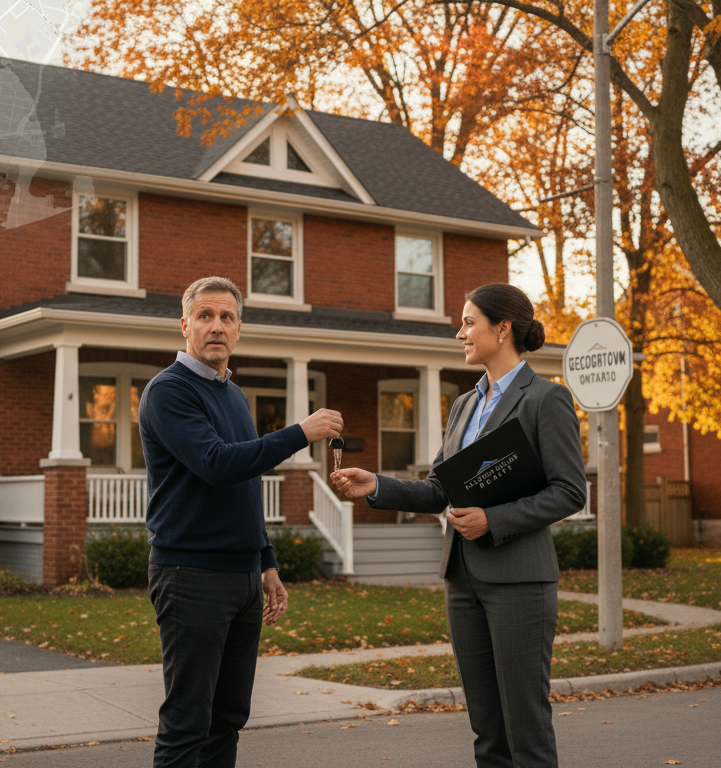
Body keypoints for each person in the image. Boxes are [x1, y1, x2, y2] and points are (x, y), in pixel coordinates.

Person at [332, 283, 586, 768]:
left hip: (520, 582)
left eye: (469, 322)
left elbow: (570, 491)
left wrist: (494, 518)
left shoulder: (546, 400)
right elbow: (440, 489)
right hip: (462, 580)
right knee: (486, 729)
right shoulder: (465, 405)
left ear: (502, 328)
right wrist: (376, 486)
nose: (460, 332)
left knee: (525, 729)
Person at [138, 276, 343, 768]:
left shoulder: (232, 393)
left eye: (227, 317)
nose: (216, 327)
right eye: (205, 316)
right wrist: (300, 432)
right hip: (190, 577)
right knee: (188, 723)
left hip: (241, 577)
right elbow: (218, 463)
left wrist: (265, 560)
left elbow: (244, 486)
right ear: (184, 325)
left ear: (238, 329)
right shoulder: (168, 392)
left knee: (228, 718)